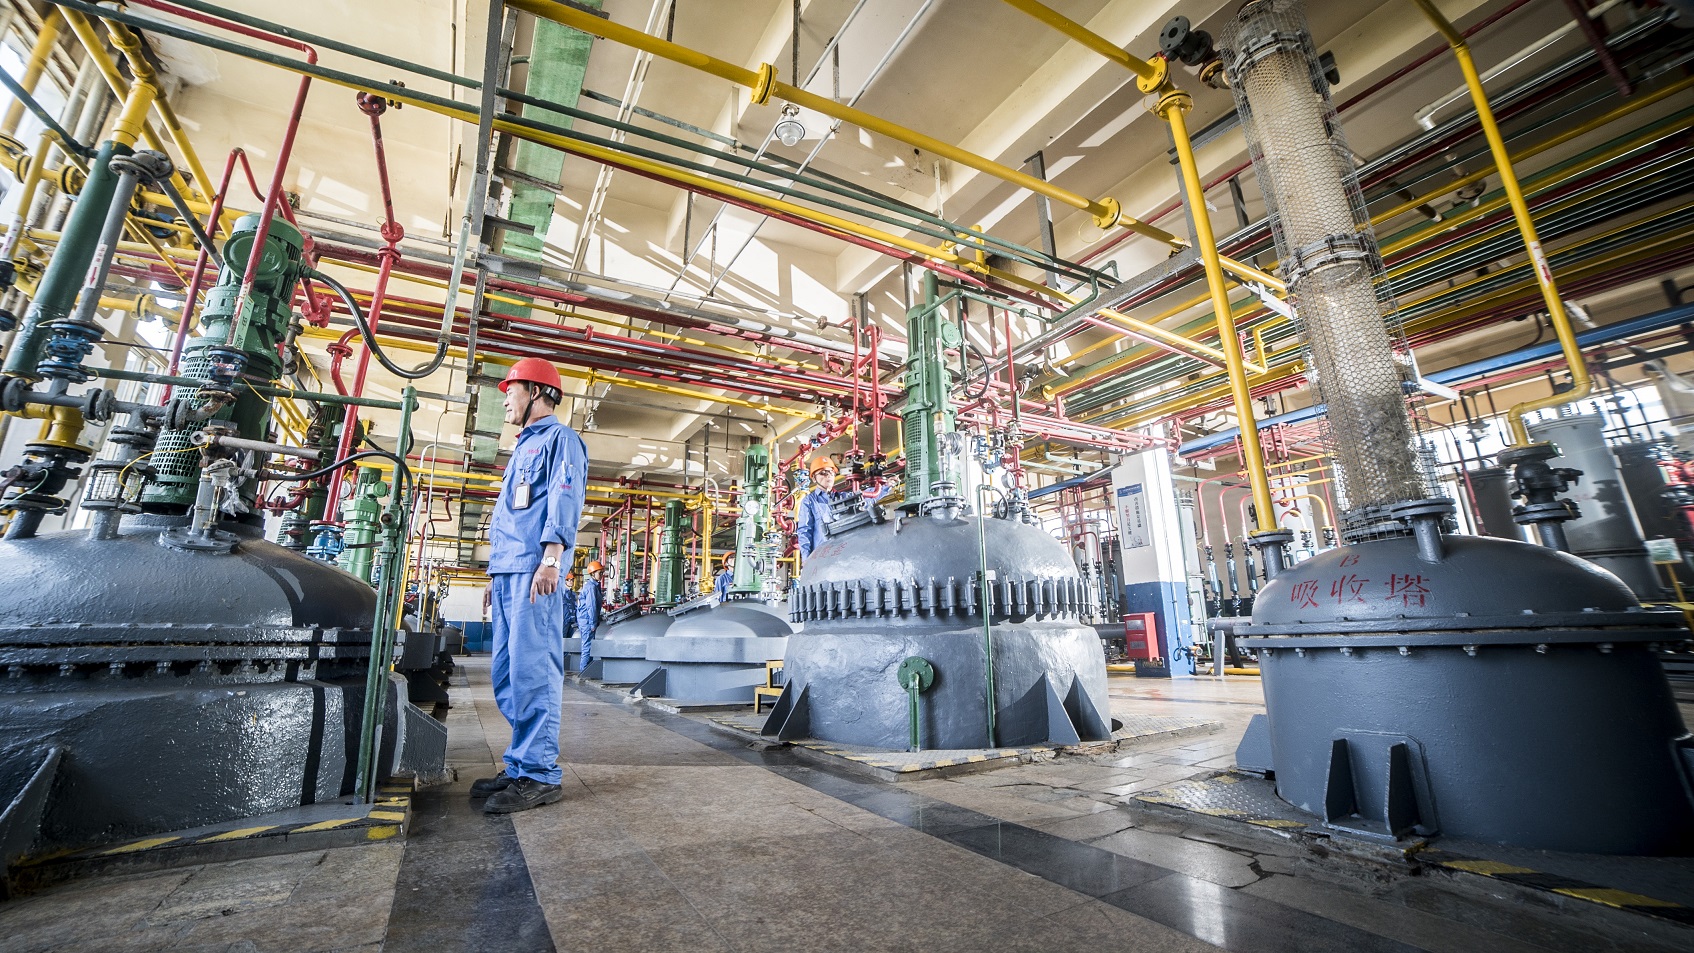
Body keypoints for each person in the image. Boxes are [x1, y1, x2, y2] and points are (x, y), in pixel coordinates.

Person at [472, 357, 587, 814]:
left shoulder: (561, 440)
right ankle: (521, 764)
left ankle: (539, 774)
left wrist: (552, 560)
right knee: (507, 674)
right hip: (509, 571)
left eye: (511, 391)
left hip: (535, 572)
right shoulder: (522, 447)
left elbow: (563, 498)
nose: (505, 400)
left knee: (533, 672)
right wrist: (493, 573)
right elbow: (510, 516)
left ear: (536, 392)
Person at [795, 455, 838, 560]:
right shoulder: (809, 501)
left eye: (831, 472)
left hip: (842, 555)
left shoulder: (844, 497)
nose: (828, 476)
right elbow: (805, 531)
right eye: (823, 473)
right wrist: (806, 559)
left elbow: (868, 498)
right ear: (814, 478)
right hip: (821, 558)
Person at [576, 559, 604, 670]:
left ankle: (586, 671)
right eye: (599, 573)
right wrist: (593, 623)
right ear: (592, 574)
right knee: (587, 647)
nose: (601, 575)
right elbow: (591, 606)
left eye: (602, 573)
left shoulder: (594, 585)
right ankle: (583, 672)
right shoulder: (591, 587)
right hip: (587, 621)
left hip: (585, 620)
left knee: (588, 646)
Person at [561, 570, 578, 642]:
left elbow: (575, 607)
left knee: (569, 641)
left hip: (571, 620)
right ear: (564, 581)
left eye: (572, 580)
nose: (571, 581)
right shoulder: (561, 593)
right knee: (562, 639)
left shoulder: (573, 594)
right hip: (564, 620)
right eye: (568, 580)